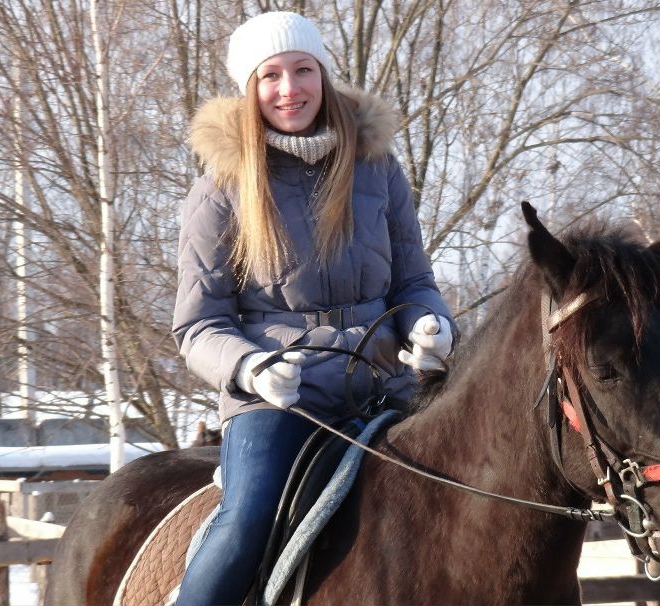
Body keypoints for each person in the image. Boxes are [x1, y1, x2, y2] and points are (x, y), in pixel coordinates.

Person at [171, 11, 455, 606]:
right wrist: (251, 368)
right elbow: (198, 325)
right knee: (248, 519)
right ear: (250, 89)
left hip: (385, 384)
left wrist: (431, 326)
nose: (289, 88)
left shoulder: (377, 169)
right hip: (280, 399)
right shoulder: (219, 190)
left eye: (303, 70)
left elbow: (414, 281)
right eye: (270, 75)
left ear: (323, 75)